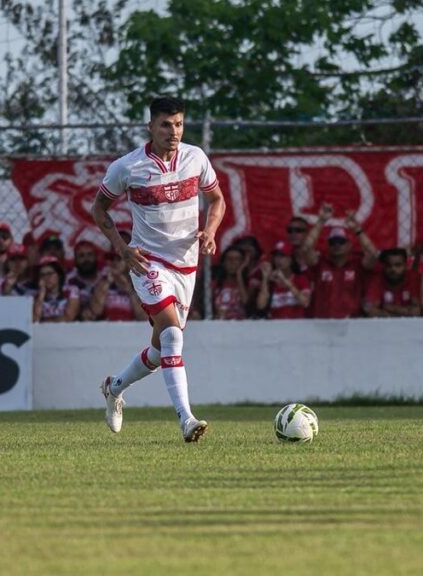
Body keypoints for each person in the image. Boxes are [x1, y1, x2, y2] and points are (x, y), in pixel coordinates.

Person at [92, 95, 225, 443]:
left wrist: (209, 231)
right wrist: (122, 249)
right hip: (147, 262)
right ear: (150, 126)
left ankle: (114, 387)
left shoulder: (196, 158)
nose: (174, 131)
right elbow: (99, 209)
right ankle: (186, 419)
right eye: (166, 124)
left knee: (159, 349)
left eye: (179, 124)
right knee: (173, 336)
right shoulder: (127, 167)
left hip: (186, 265)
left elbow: (216, 200)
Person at [302, 203, 380, 318]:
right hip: (322, 324)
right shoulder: (320, 263)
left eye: (341, 241)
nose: (337, 245)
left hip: (352, 324)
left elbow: (373, 254)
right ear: (328, 245)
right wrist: (321, 221)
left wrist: (357, 229)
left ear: (350, 245)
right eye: (333, 242)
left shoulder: (357, 264)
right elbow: (306, 249)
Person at [256, 241, 311, 319]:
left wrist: (287, 284)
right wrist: (265, 279)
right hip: (276, 327)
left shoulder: (301, 279)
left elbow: (305, 303)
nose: (278, 260)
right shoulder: (271, 281)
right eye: (276, 256)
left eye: (282, 256)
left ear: (291, 259)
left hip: (297, 327)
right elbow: (260, 305)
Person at [88, 251, 147, 322]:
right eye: (112, 258)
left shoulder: (137, 283)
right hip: (107, 327)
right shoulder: (102, 282)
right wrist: (107, 282)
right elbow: (95, 311)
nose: (114, 262)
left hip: (131, 328)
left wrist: (130, 291)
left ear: (127, 262)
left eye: (119, 259)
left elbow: (143, 318)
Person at [363, 247, 421, 317]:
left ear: (406, 265)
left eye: (398, 265)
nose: (393, 269)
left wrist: (390, 308)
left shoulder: (413, 278)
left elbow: (417, 311)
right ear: (384, 266)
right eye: (388, 265)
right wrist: (404, 311)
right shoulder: (377, 279)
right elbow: (369, 309)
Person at [32, 256, 80, 322]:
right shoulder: (36, 297)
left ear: (59, 275)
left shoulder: (71, 290)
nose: (46, 278)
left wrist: (43, 321)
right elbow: (35, 321)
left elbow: (68, 318)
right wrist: (41, 295)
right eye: (42, 275)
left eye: (49, 274)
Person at [211, 245, 249, 320]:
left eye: (237, 259)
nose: (233, 262)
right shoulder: (215, 284)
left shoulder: (248, 283)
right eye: (229, 259)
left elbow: (246, 302)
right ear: (224, 262)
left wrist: (239, 275)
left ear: (243, 263)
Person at [67, 240, 102, 320]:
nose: (86, 259)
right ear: (75, 260)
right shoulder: (68, 280)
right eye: (81, 256)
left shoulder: (105, 277)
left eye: (90, 255)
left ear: (96, 257)